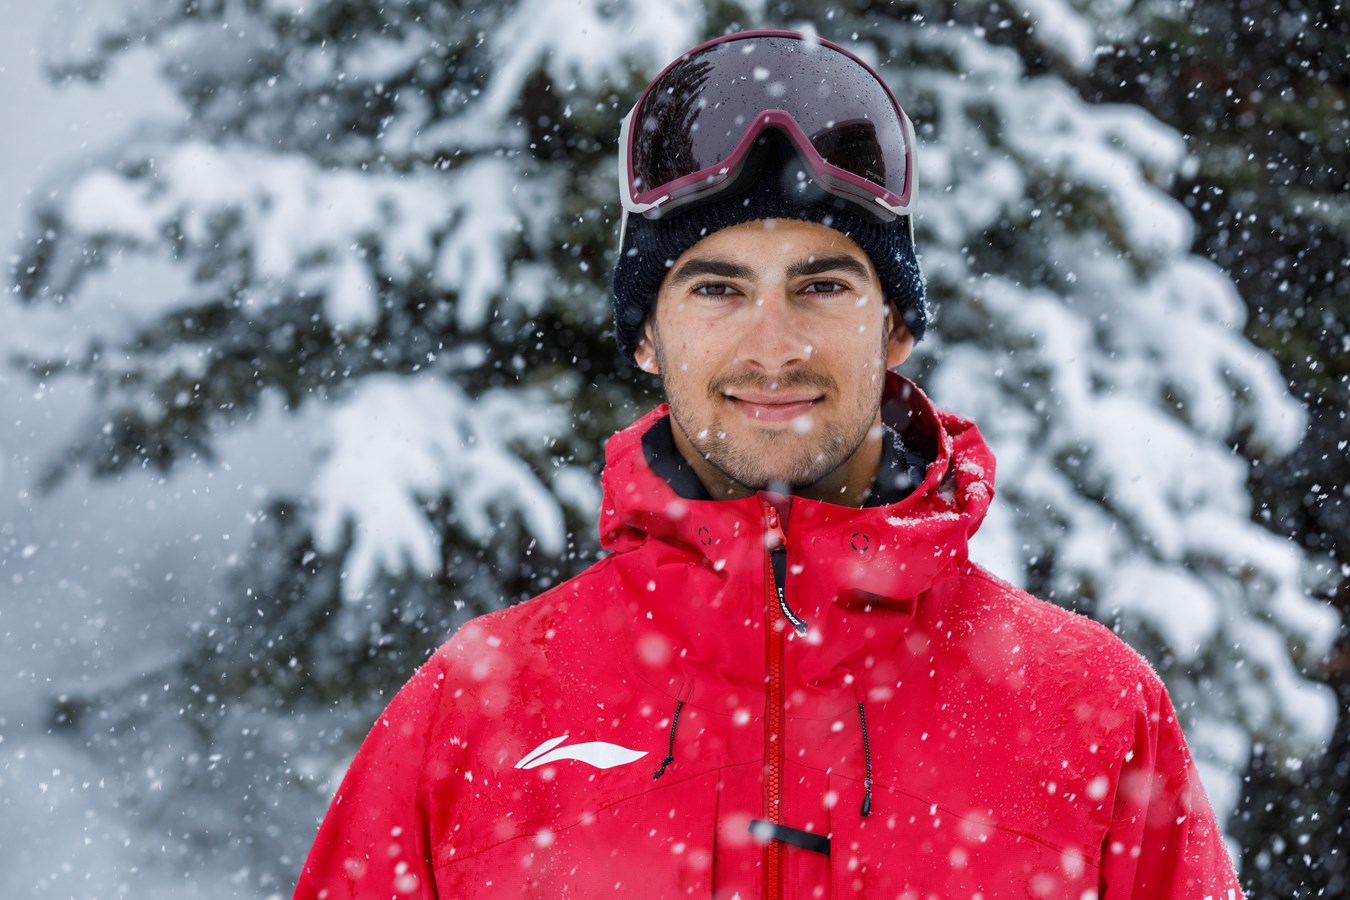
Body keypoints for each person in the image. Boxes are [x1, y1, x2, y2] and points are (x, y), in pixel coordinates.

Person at [294, 30, 1245, 899]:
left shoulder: (1090, 709)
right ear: (647, 340)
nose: (774, 345)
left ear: (897, 326)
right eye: (716, 288)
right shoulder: (474, 712)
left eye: (823, 284)